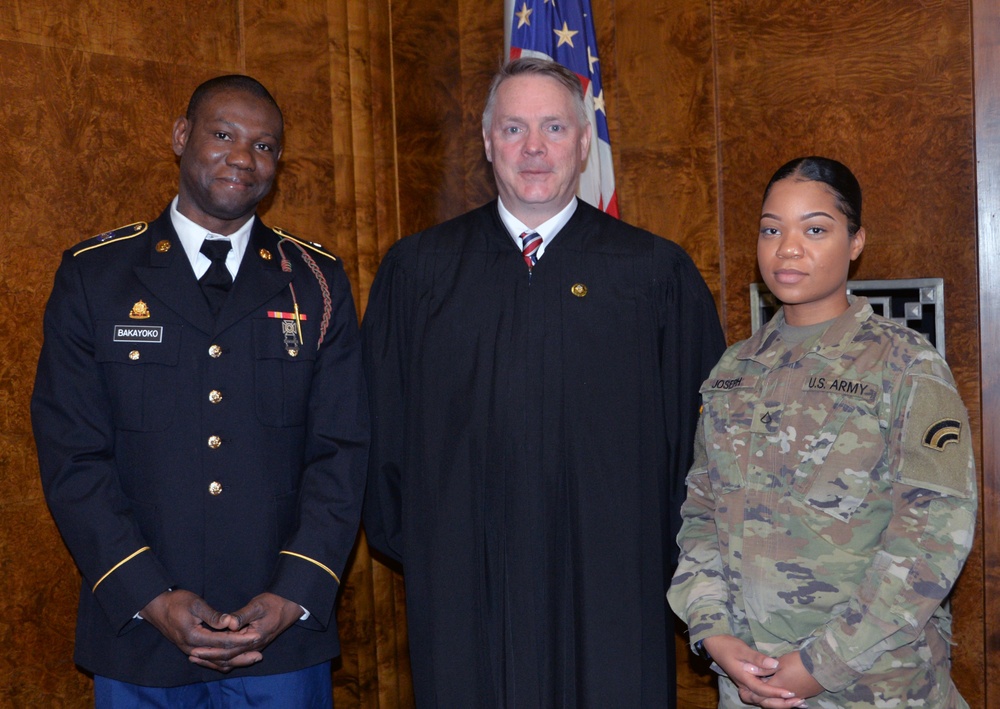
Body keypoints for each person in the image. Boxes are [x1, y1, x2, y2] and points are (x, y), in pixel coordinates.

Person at [362, 57, 725, 707]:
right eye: (513, 129)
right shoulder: (417, 272)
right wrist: (441, 551)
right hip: (465, 598)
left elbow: (702, 452)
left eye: (555, 128)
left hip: (611, 596)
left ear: (585, 144)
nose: (534, 148)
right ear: (486, 142)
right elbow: (381, 439)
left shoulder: (655, 274)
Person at [31, 75, 368, 707]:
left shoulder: (316, 281)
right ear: (181, 137)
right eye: (223, 135)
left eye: (265, 146)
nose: (244, 157)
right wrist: (150, 597)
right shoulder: (95, 277)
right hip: (139, 635)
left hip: (281, 644)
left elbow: (342, 453)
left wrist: (293, 595)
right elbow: (72, 456)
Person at [668, 156, 976, 708]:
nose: (787, 248)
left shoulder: (903, 365)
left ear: (856, 242)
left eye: (815, 229)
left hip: (873, 688)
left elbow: (934, 538)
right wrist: (714, 635)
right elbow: (700, 515)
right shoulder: (732, 371)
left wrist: (821, 664)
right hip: (748, 686)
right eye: (771, 229)